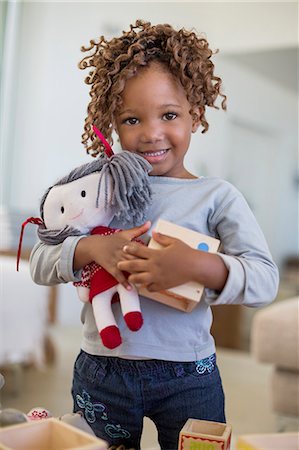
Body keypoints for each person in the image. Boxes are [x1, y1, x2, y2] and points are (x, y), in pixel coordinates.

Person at [30, 19, 279, 449]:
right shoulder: (98, 191)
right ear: (111, 124)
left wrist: (199, 266)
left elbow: (264, 280)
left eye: (169, 115)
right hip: (102, 369)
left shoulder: (216, 196)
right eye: (131, 119)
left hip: (189, 374)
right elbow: (38, 262)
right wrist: (92, 247)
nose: (150, 133)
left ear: (195, 115)